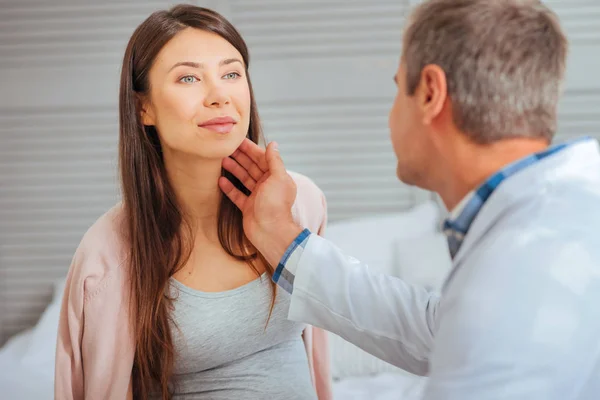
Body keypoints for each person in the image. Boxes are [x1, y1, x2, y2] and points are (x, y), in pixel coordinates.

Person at [219, 0, 600, 399]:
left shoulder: (526, 265)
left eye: (399, 88)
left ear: (431, 93)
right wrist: (284, 239)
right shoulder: (549, 223)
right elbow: (438, 329)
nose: (390, 115)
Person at [54, 5, 332, 400]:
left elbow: (321, 347)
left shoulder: (302, 201)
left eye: (232, 73)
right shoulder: (107, 255)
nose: (219, 96)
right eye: (188, 78)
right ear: (143, 108)